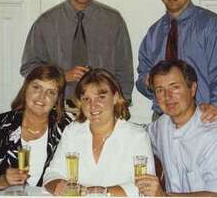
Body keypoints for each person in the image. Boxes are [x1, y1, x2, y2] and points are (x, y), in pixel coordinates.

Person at [21, 0, 134, 106]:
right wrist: (61, 76)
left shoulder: (114, 21)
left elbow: (124, 72)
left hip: (102, 108)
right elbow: (29, 68)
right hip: (57, 107)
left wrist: (121, 105)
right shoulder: (45, 23)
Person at [135, 59, 217, 197]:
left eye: (175, 87)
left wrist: (163, 196)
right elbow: (136, 136)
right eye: (160, 90)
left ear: (193, 89)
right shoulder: (161, 126)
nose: (167, 96)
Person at [43, 68, 155, 196]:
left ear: (115, 97)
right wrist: (59, 186)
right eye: (86, 99)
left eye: (101, 97)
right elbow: (52, 174)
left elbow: (145, 187)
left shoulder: (137, 136)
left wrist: (98, 192)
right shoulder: (72, 131)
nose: (93, 105)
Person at [0, 65, 72, 195]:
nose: (42, 96)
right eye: (36, 87)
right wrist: (2, 180)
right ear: (25, 89)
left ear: (57, 100)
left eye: (51, 92)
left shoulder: (67, 128)